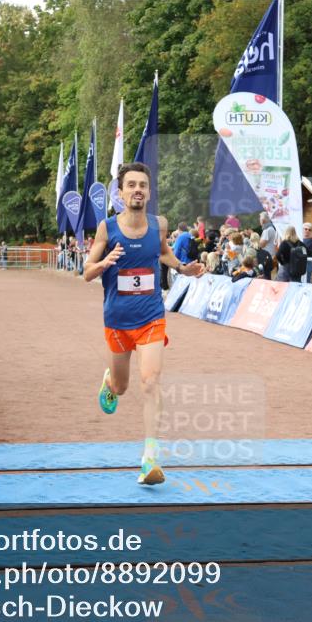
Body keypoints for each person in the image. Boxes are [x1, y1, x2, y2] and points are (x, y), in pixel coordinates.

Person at [83, 162, 204, 485]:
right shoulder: (107, 229)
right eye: (131, 185)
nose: (137, 190)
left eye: (143, 185)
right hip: (117, 320)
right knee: (122, 388)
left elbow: (163, 253)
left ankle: (149, 458)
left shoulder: (159, 225)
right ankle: (110, 381)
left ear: (149, 192)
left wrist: (182, 267)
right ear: (120, 193)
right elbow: (86, 272)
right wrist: (105, 262)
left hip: (151, 317)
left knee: (150, 381)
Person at [258, 212, 278, 278]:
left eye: (260, 219)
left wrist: (258, 241)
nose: (259, 221)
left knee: (266, 276)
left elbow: (261, 245)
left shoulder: (267, 230)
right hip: (270, 256)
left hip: (267, 257)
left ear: (263, 220)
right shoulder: (271, 228)